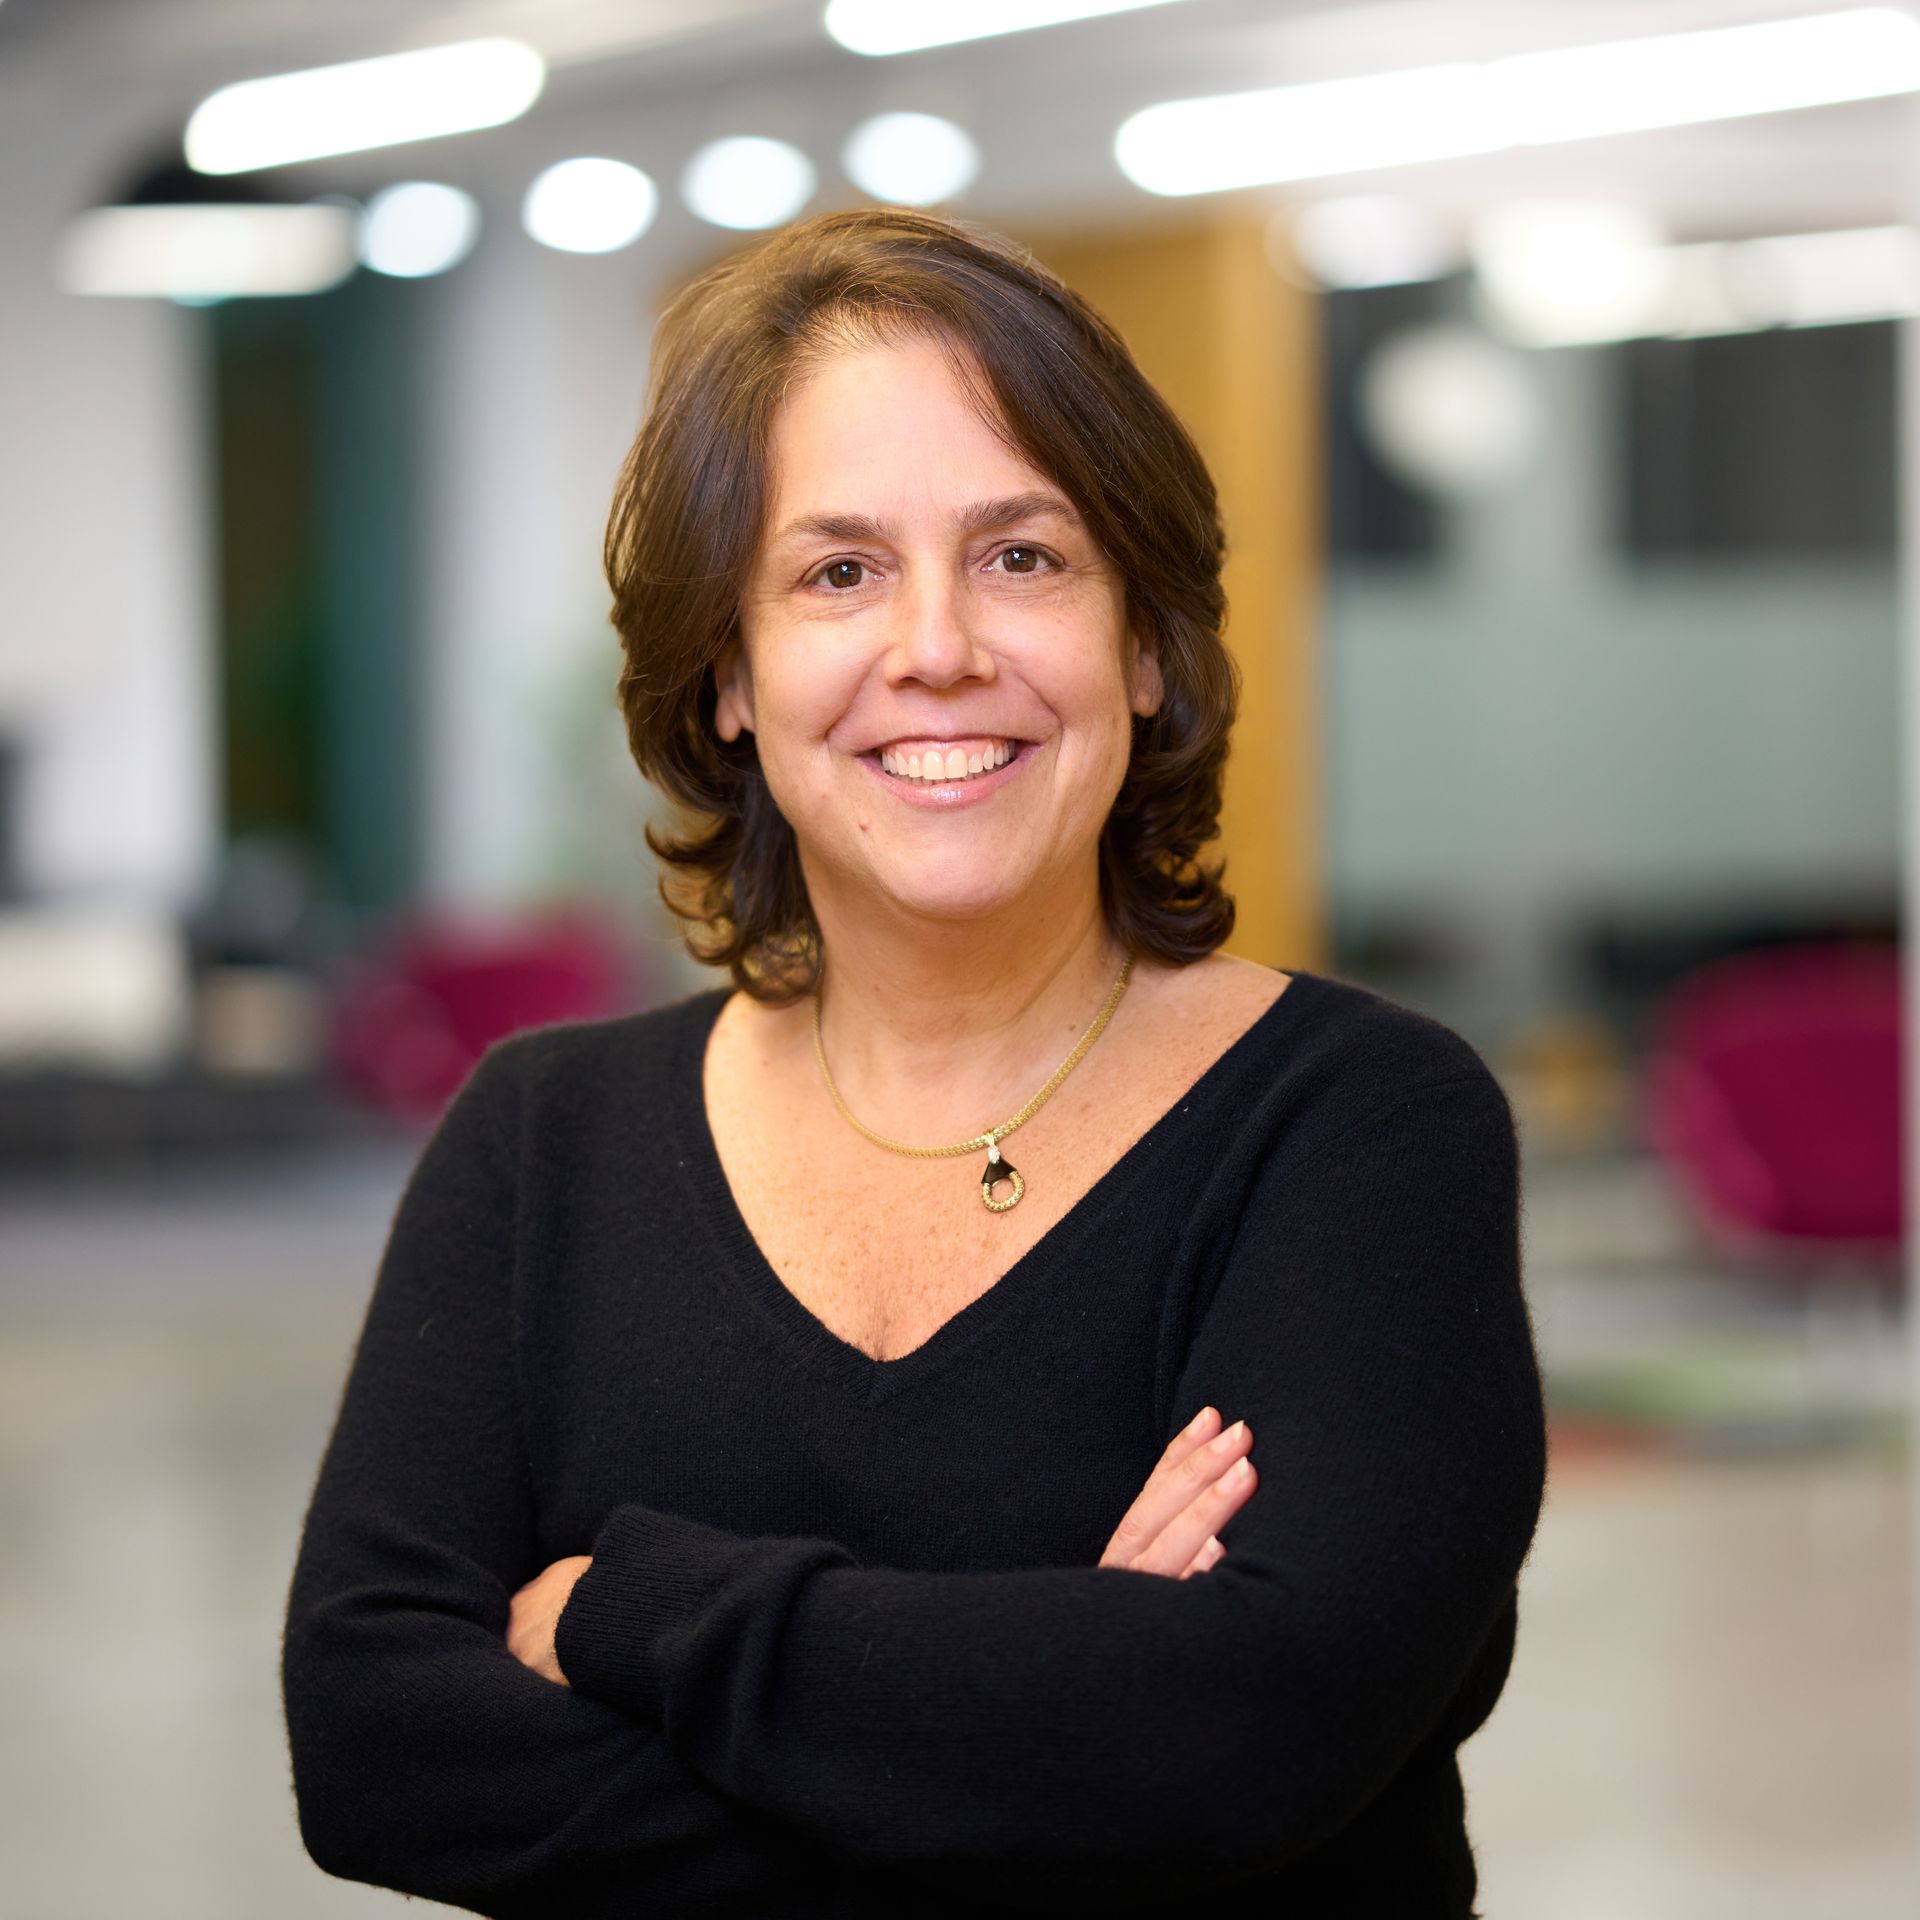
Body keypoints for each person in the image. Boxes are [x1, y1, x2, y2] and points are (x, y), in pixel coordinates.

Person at [282, 206, 1548, 1918]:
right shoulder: (541, 1142)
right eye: (837, 571)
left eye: (1024, 557)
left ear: (1149, 646)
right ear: (729, 670)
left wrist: (618, 1613)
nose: (937, 645)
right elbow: (376, 1748)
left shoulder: (1361, 1129)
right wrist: (1053, 1736)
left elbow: (1242, 1734)